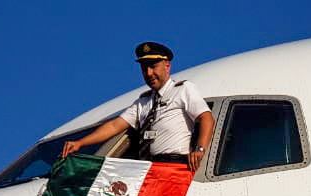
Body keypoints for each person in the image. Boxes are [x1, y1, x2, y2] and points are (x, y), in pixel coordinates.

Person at [61, 42, 214, 172]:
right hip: (147, 168)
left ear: (167, 66)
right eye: (144, 69)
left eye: (153, 66)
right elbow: (114, 126)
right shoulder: (143, 102)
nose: (149, 73)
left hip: (173, 164)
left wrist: (200, 149)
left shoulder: (183, 89)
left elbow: (206, 118)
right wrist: (81, 143)